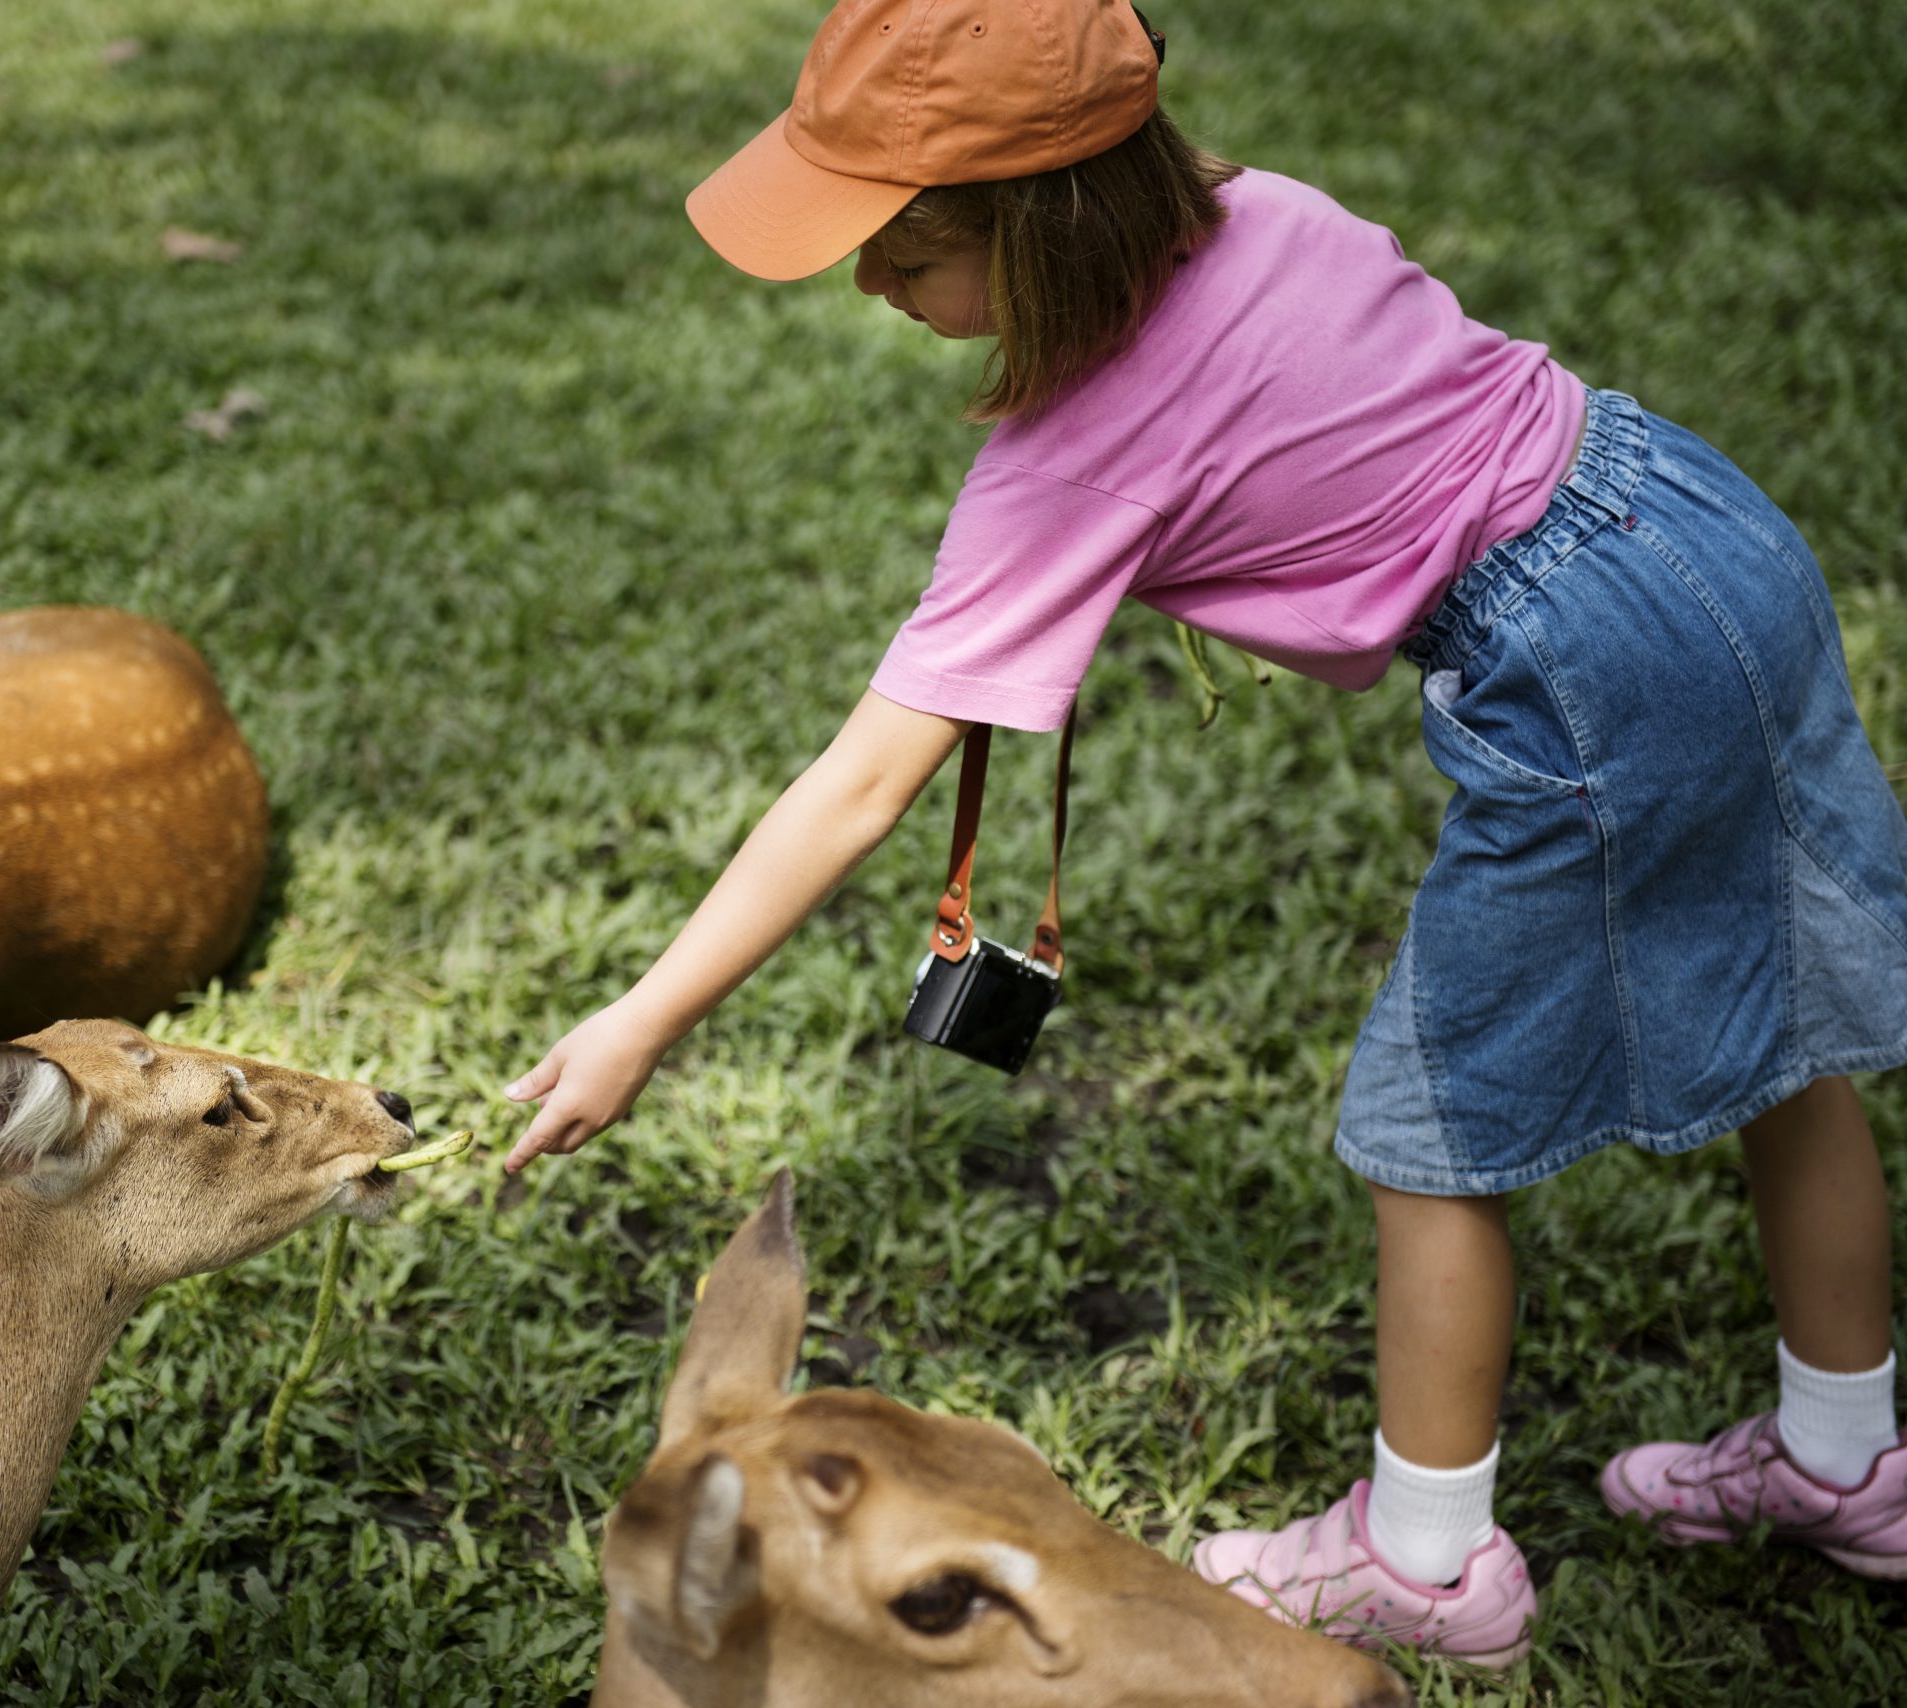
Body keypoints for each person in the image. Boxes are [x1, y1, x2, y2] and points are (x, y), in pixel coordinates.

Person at [499, 0, 1907, 1667]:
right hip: (1696, 523)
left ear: (1045, 234)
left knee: (1427, 1121)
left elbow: (866, 782)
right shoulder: (1266, 209)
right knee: (1785, 1023)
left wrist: (643, 1018)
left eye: (900, 257)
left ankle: (1428, 1559)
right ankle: (1851, 1456)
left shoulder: (1069, 462)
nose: (871, 293)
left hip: (1581, 663)